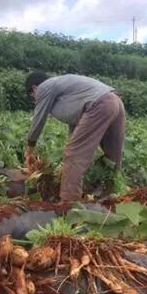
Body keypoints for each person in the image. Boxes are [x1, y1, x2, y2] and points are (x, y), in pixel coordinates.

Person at [24, 71, 125, 202]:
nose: (36, 101)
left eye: (33, 98)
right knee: (113, 155)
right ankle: (110, 194)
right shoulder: (68, 89)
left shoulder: (44, 87)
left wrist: (30, 146)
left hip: (100, 104)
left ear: (34, 88)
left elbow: (39, 119)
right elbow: (77, 124)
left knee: (73, 154)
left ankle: (68, 203)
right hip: (114, 101)